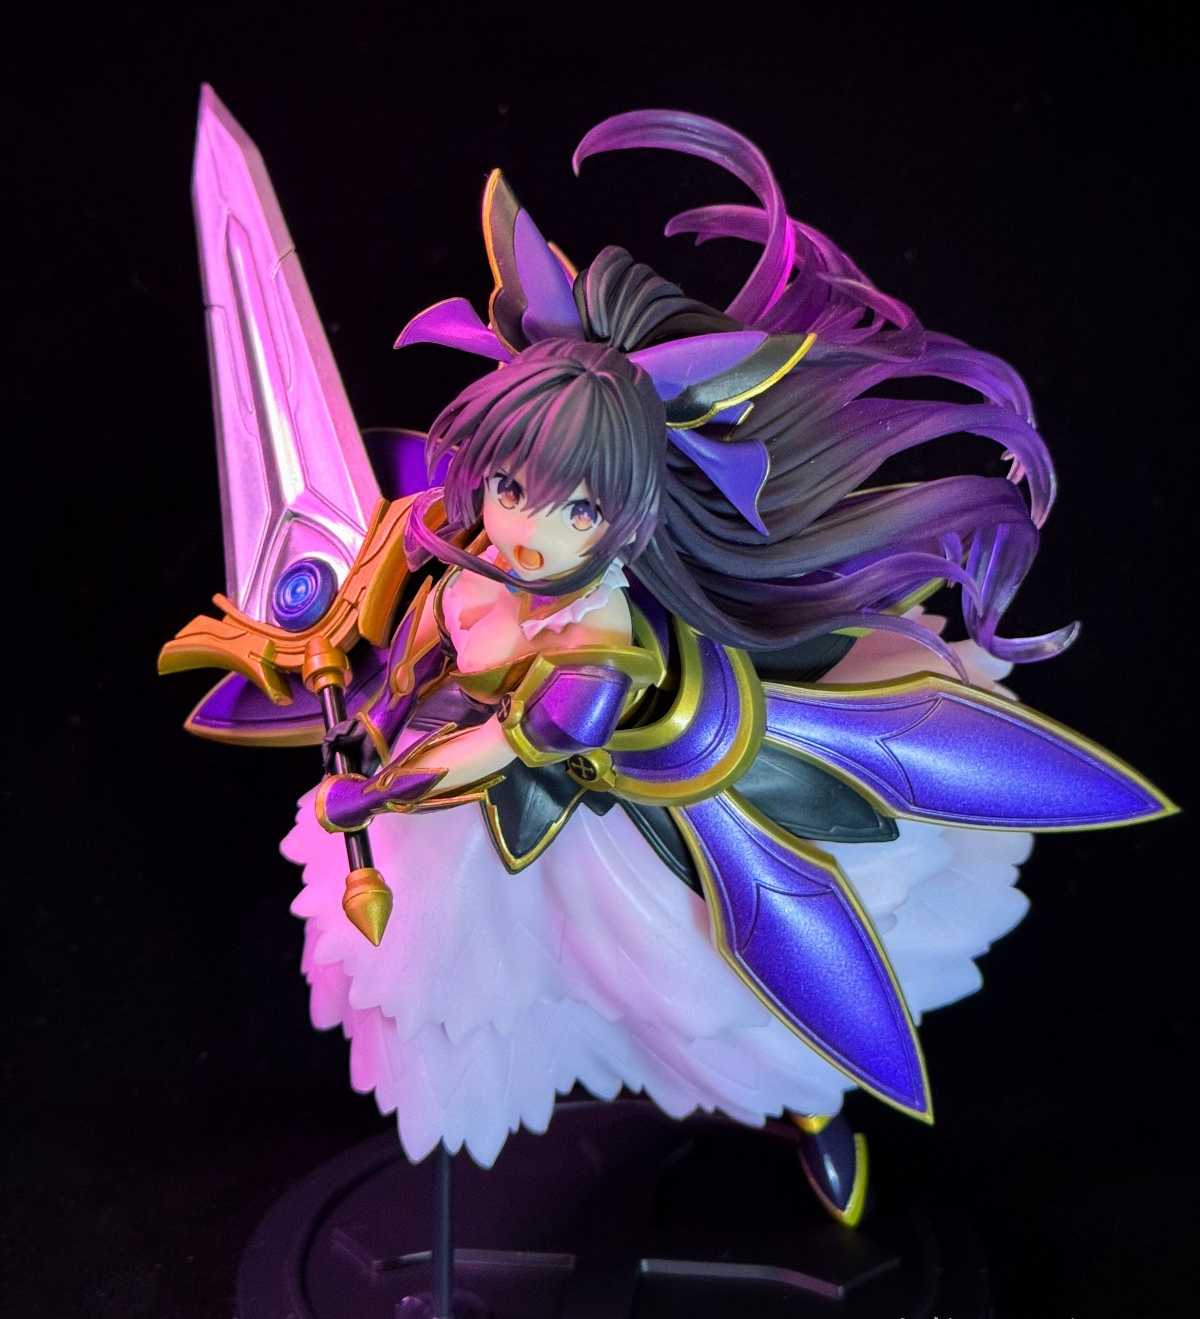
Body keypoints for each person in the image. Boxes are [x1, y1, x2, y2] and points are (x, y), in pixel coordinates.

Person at [276, 112, 1169, 1223]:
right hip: (473, 768)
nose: (524, 528)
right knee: (478, 976)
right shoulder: (475, 534)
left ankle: (810, 1108)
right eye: (510, 487)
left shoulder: (594, 650)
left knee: (708, 1001)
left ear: (627, 515)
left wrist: (379, 791)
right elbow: (405, 578)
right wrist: (345, 667)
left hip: (637, 804)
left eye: (574, 507)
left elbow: (499, 750)